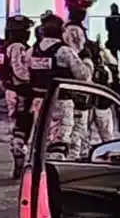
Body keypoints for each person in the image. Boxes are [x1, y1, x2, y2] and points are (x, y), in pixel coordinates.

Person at [30, 12, 85, 156]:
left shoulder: (32, 50)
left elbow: (25, 74)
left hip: (38, 101)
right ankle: (55, 172)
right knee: (60, 139)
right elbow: (82, 75)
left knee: (42, 138)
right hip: (60, 101)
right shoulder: (64, 51)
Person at [61, 0, 101, 156]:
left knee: (83, 124)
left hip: (79, 82)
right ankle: (74, 157)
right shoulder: (73, 30)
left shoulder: (73, 28)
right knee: (79, 124)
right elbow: (77, 58)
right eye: (81, 9)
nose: (84, 13)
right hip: (78, 83)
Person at [0, 13, 35, 178]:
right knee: (21, 126)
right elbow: (19, 71)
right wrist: (34, 78)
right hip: (20, 92)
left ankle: (20, 161)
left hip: (13, 91)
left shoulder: (9, 46)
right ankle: (19, 162)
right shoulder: (17, 47)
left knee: (19, 126)